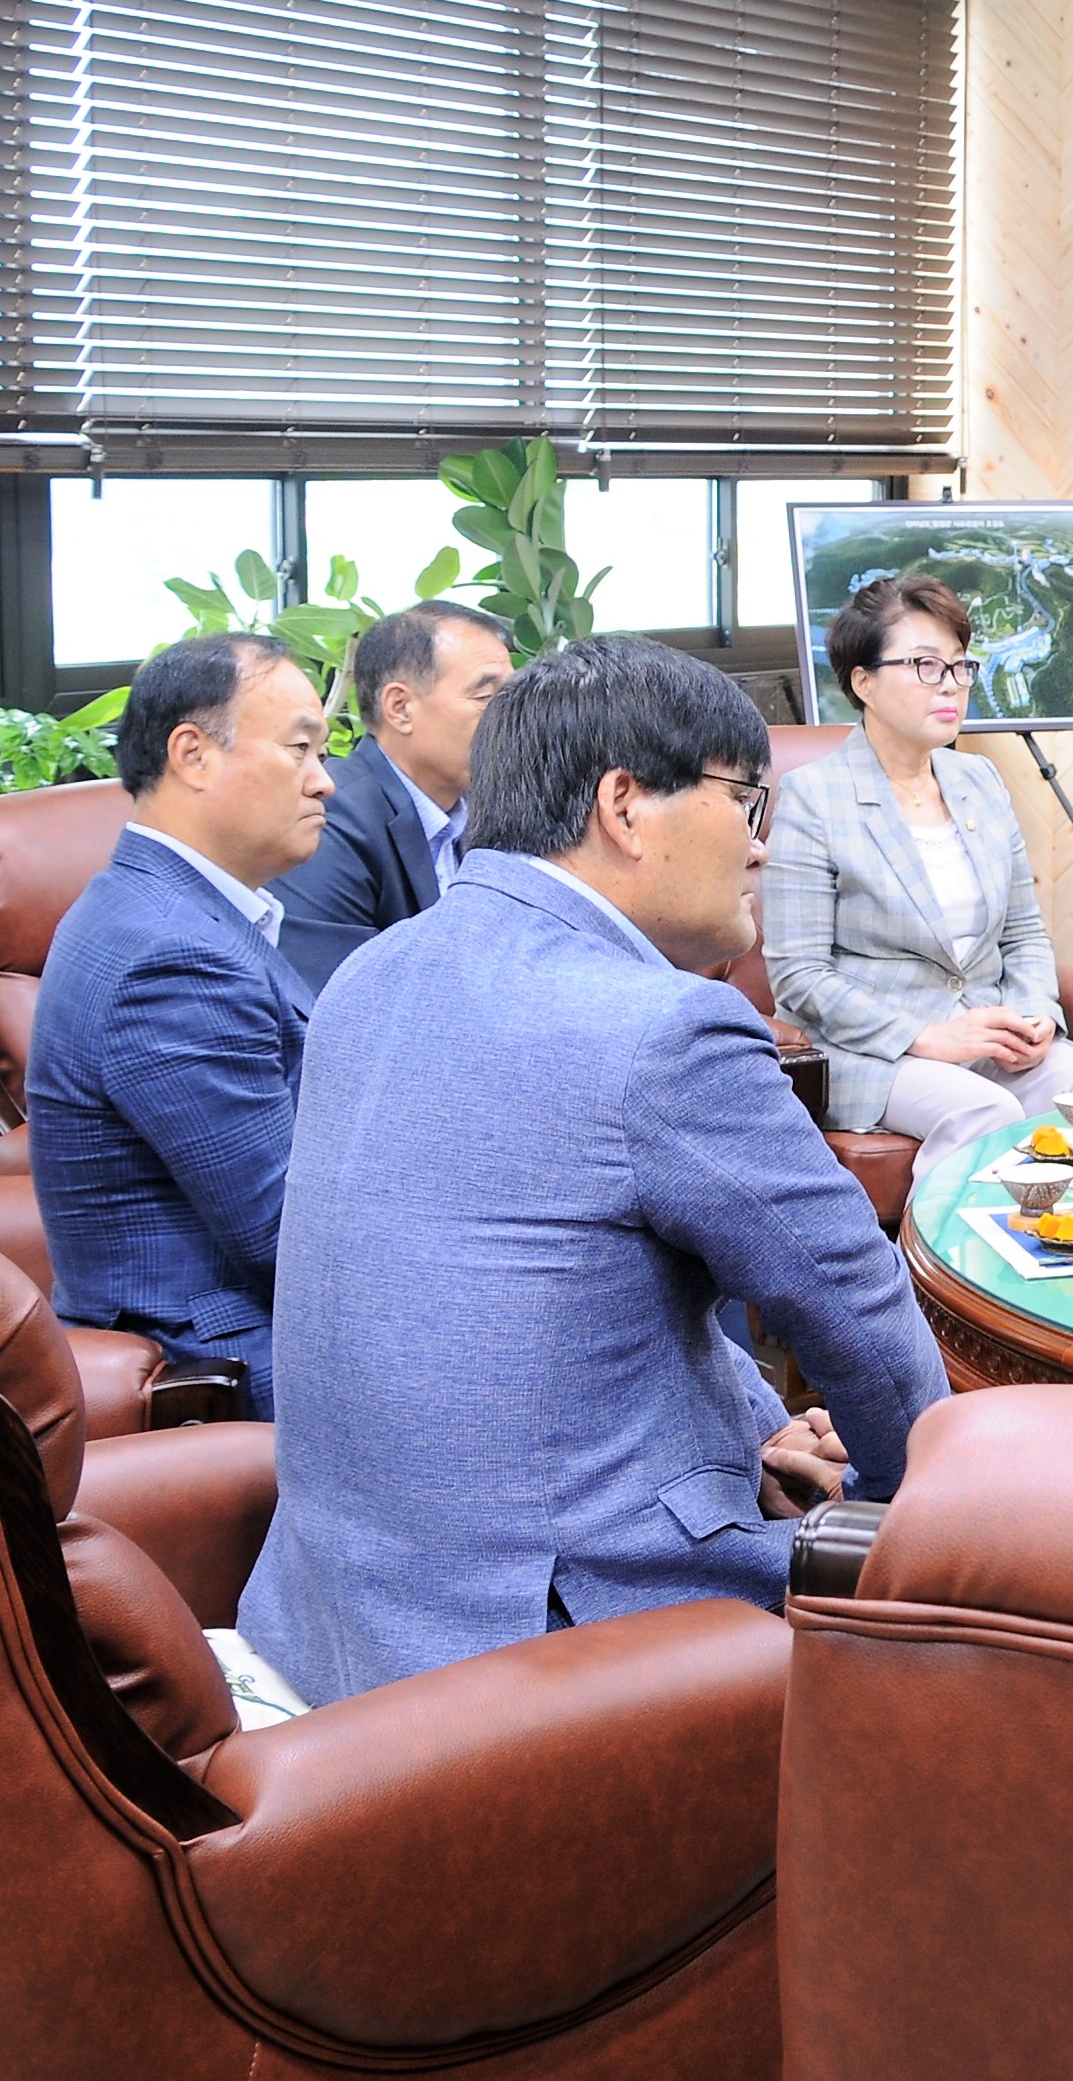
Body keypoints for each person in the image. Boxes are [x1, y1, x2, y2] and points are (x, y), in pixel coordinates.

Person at [239, 636, 951, 1706]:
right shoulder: (665, 1028)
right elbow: (854, 1303)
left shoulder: (366, 976)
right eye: (747, 803)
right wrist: (903, 1522)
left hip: (336, 1626)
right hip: (550, 1657)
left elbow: (556, 1294)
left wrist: (756, 1425)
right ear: (624, 807)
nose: (763, 847)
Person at [25, 632, 331, 1418]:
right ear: (193, 755)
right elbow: (291, 1239)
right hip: (225, 1359)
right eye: (299, 748)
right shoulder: (172, 958)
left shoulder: (170, 911)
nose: (324, 783)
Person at [762, 574, 1073, 1171]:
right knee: (983, 1113)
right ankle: (931, 1265)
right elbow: (799, 975)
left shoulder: (980, 783)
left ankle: (1067, 1246)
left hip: (986, 1037)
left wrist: (1032, 1017)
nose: (950, 686)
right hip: (873, 1053)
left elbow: (1023, 934)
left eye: (959, 666)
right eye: (926, 666)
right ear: (863, 682)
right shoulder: (813, 797)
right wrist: (924, 1036)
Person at [270, 597, 515, 991]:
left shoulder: (499, 808)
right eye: (487, 697)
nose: (512, 717)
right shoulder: (329, 820)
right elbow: (341, 1005)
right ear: (400, 708)